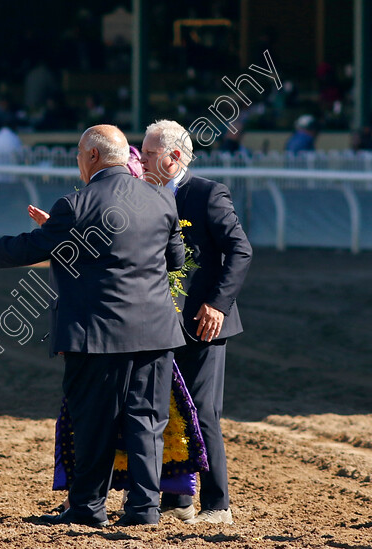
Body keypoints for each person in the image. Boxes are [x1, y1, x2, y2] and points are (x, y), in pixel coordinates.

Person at [0, 125, 185, 527]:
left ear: (93, 157)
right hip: (154, 330)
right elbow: (175, 261)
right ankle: (144, 509)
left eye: (80, 154)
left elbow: (29, 248)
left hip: (95, 333)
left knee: (93, 421)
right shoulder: (161, 197)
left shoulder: (75, 204)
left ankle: (88, 508)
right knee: (146, 420)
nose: (78, 161)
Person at [141, 119, 252, 524]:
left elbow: (240, 251)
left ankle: (217, 504)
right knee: (164, 409)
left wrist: (218, 304)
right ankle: (175, 498)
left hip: (204, 320)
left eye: (149, 153)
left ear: (174, 156)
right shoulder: (142, 194)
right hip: (154, 321)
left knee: (203, 411)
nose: (141, 158)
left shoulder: (207, 193)